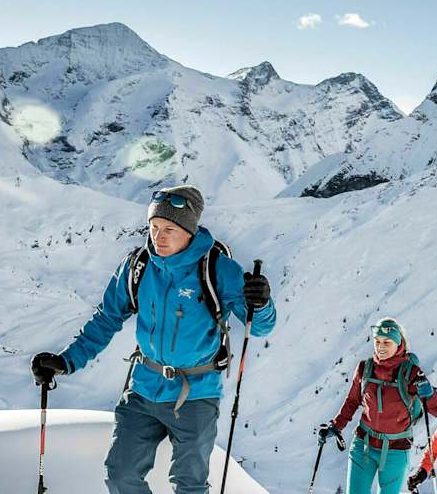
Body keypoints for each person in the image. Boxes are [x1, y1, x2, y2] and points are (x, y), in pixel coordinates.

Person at [30, 184, 276, 494]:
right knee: (120, 476)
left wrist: (261, 303)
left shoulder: (218, 270)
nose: (159, 236)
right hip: (143, 389)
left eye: (169, 229)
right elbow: (107, 318)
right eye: (154, 227)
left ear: (189, 231)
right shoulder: (138, 265)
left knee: (190, 486)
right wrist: (67, 361)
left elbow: (259, 327)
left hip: (196, 395)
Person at [318, 318, 437, 494]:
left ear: (398, 343)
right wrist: (336, 426)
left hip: (396, 450)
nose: (380, 347)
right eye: (377, 341)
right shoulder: (365, 368)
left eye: (387, 342)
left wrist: (430, 394)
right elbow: (352, 401)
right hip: (364, 444)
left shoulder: (411, 372)